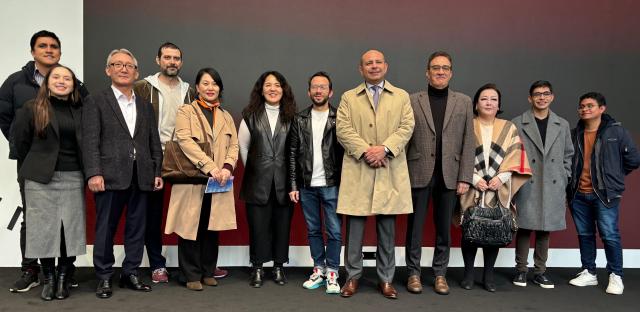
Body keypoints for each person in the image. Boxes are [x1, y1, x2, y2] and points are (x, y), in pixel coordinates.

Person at [0, 30, 88, 293]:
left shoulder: (81, 106)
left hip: (73, 175)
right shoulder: (27, 102)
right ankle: (45, 276)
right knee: (41, 227)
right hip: (38, 176)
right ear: (47, 83)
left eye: (67, 78)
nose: (62, 81)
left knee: (68, 229)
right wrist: (36, 162)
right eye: (57, 78)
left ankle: (63, 276)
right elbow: (19, 139)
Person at [83, 49, 163, 299]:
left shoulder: (146, 106)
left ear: (136, 72)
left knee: (137, 228)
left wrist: (157, 171)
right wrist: (94, 173)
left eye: (129, 65)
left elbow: (153, 142)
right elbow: (90, 140)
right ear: (108, 70)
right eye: (117, 64)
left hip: (142, 176)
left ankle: (131, 273)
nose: (124, 69)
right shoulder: (96, 101)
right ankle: (105, 276)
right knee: (105, 228)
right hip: (108, 176)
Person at [337, 50, 415, 299]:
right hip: (359, 169)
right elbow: (343, 129)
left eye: (378, 62)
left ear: (386, 66)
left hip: (388, 169)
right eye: (368, 63)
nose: (373, 66)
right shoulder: (349, 97)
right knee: (355, 229)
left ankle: (386, 279)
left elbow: (407, 127)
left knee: (387, 230)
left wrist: (385, 149)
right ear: (360, 69)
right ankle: (352, 277)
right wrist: (365, 151)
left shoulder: (401, 96)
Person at [404, 51, 474, 295]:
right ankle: (413, 273)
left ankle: (440, 274)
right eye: (435, 67)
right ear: (427, 72)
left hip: (450, 174)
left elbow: (468, 141)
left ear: (451, 73)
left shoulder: (464, 102)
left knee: (444, 227)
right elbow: (404, 137)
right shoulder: (412, 100)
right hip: (418, 171)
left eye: (445, 68)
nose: (440, 71)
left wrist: (465, 176)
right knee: (414, 227)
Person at [164, 68, 239, 291]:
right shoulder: (186, 111)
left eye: (214, 84)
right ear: (197, 87)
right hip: (193, 179)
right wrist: (211, 167)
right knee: (190, 227)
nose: (210, 88)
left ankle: (207, 271)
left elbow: (234, 145)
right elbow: (185, 141)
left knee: (211, 226)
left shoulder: (226, 116)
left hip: (219, 181)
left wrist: (226, 167)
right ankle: (191, 275)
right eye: (205, 83)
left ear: (219, 88)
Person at [458, 83, 531, 292]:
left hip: (499, 187)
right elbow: (458, 155)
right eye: (484, 99)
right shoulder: (467, 125)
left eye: (493, 99)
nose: (489, 103)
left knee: (495, 229)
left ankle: (488, 275)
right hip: (473, 186)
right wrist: (473, 178)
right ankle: (469, 274)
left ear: (499, 104)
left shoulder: (509, 127)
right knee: (470, 228)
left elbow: (516, 156)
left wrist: (502, 177)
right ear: (476, 103)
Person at [133, 42, 195, 283]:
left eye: (176, 58)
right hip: (151, 159)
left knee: (188, 214)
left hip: (184, 159)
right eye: (167, 57)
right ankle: (157, 265)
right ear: (158, 59)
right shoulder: (142, 88)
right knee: (152, 215)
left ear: (181, 62)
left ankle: (192, 264)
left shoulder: (190, 91)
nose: (172, 62)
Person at [567, 92, 640, 295]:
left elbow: (633, 160)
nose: (585, 109)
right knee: (585, 234)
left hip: (605, 194)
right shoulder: (574, 134)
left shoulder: (617, 132)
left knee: (610, 235)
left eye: (590, 106)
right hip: (578, 194)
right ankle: (589, 272)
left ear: (602, 108)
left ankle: (616, 276)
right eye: (582, 106)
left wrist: (614, 177)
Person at [511, 80, 573, 289]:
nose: (542, 97)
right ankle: (521, 270)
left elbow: (568, 154)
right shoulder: (518, 123)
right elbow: (511, 154)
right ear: (530, 98)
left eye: (546, 93)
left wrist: (564, 175)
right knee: (524, 227)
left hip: (553, 182)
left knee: (545, 229)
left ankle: (540, 271)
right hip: (527, 181)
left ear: (552, 96)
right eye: (537, 94)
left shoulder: (562, 124)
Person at [239, 71, 296, 287]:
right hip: (257, 181)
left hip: (284, 183)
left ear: (284, 89)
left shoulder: (292, 116)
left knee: (282, 226)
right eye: (268, 85)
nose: (273, 89)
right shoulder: (249, 115)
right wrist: (257, 169)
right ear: (261, 89)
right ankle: (258, 267)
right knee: (258, 227)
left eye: (277, 85)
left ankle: (279, 267)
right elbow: (243, 147)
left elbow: (295, 151)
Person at [288, 71, 344, 294]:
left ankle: (333, 271)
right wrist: (293, 185)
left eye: (323, 87)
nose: (318, 90)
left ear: (330, 92)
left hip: (332, 184)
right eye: (314, 87)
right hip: (306, 185)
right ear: (308, 91)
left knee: (334, 231)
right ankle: (318, 268)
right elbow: (292, 154)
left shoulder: (340, 118)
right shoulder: (299, 119)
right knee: (313, 230)